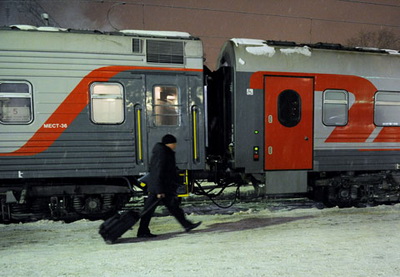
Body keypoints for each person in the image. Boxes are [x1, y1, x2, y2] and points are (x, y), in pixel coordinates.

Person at [137, 134, 201, 238]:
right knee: (148, 210)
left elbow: (166, 168)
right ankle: (142, 231)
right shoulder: (162, 152)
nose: (175, 145)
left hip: (163, 187)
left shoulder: (164, 151)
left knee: (173, 207)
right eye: (174, 143)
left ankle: (187, 225)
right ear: (169, 143)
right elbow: (158, 172)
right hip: (159, 187)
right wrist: (159, 191)